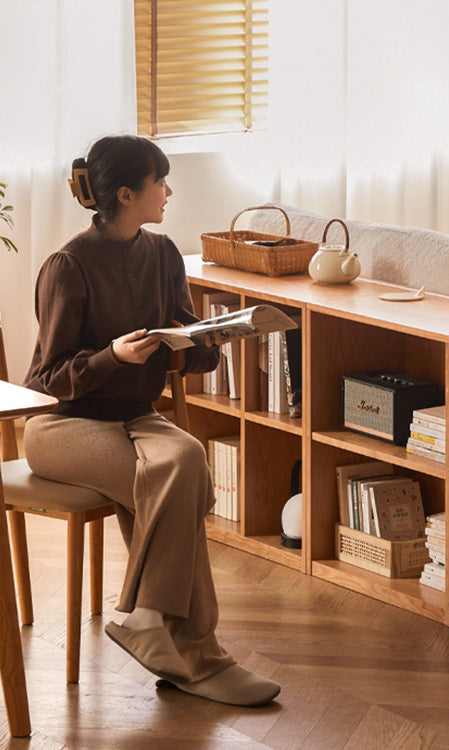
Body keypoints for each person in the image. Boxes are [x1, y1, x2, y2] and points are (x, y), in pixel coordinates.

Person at [22, 135, 280, 707]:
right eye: (160, 181)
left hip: (135, 417)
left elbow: (192, 343)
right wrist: (112, 356)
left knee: (183, 460)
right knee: (178, 471)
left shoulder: (162, 254)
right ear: (126, 193)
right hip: (62, 425)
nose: (169, 191)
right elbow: (46, 379)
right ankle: (201, 654)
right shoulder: (67, 266)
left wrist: (198, 343)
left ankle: (156, 628)